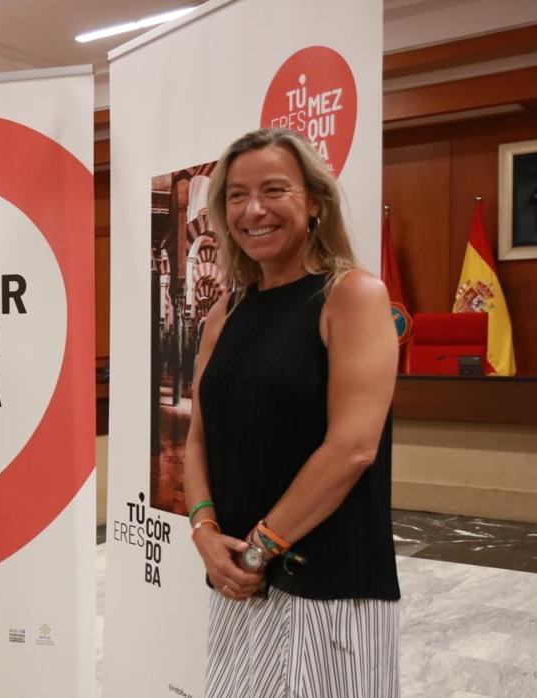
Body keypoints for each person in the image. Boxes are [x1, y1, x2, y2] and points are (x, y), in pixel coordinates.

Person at [183, 128, 400, 696]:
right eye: (235, 195)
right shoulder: (223, 314)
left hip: (328, 584)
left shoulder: (353, 295)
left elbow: (353, 448)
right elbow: (198, 437)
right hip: (238, 581)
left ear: (314, 202)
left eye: (274, 189)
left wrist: (258, 550)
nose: (253, 209)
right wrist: (204, 531)